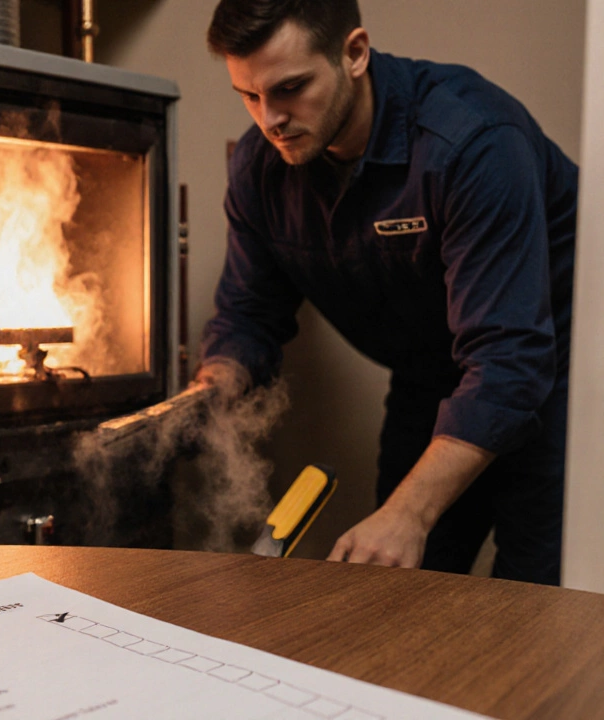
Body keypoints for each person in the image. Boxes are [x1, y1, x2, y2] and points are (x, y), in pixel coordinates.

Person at [195, 0, 577, 585]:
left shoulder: (471, 141)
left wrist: (410, 511)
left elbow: (511, 360)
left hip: (554, 373)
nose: (269, 118)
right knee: (397, 586)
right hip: (429, 373)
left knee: (534, 595)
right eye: (248, 95)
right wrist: (212, 387)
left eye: (290, 88)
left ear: (354, 53)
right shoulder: (260, 167)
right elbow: (250, 313)